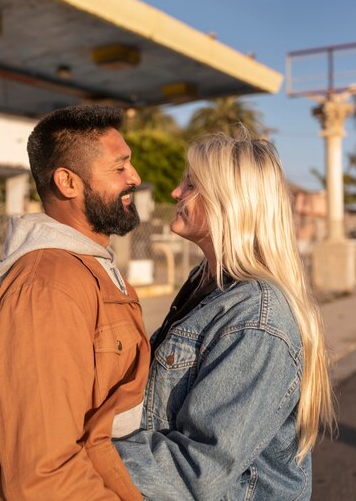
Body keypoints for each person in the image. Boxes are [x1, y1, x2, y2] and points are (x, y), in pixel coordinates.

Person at [115, 132, 335, 501]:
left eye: (190, 184)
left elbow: (197, 469)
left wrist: (70, 458)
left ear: (228, 201)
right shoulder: (206, 283)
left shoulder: (258, 319)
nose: (175, 193)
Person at [0, 105, 150, 501]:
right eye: (120, 168)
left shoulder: (88, 270)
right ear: (68, 182)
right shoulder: (45, 289)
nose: (135, 178)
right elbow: (44, 477)